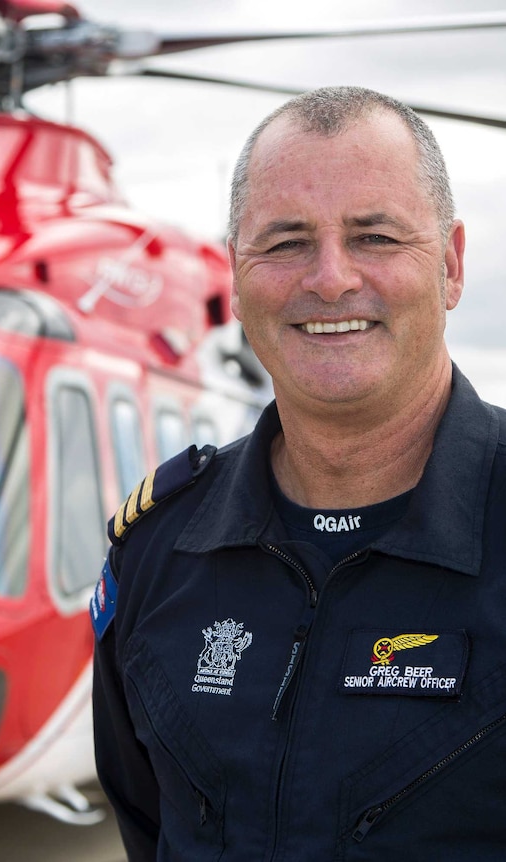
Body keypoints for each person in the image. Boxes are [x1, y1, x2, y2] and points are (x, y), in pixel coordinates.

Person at [91, 85, 506, 861]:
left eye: (375, 236)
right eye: (284, 243)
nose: (330, 278)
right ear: (236, 281)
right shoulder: (159, 551)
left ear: (450, 266)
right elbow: (145, 822)